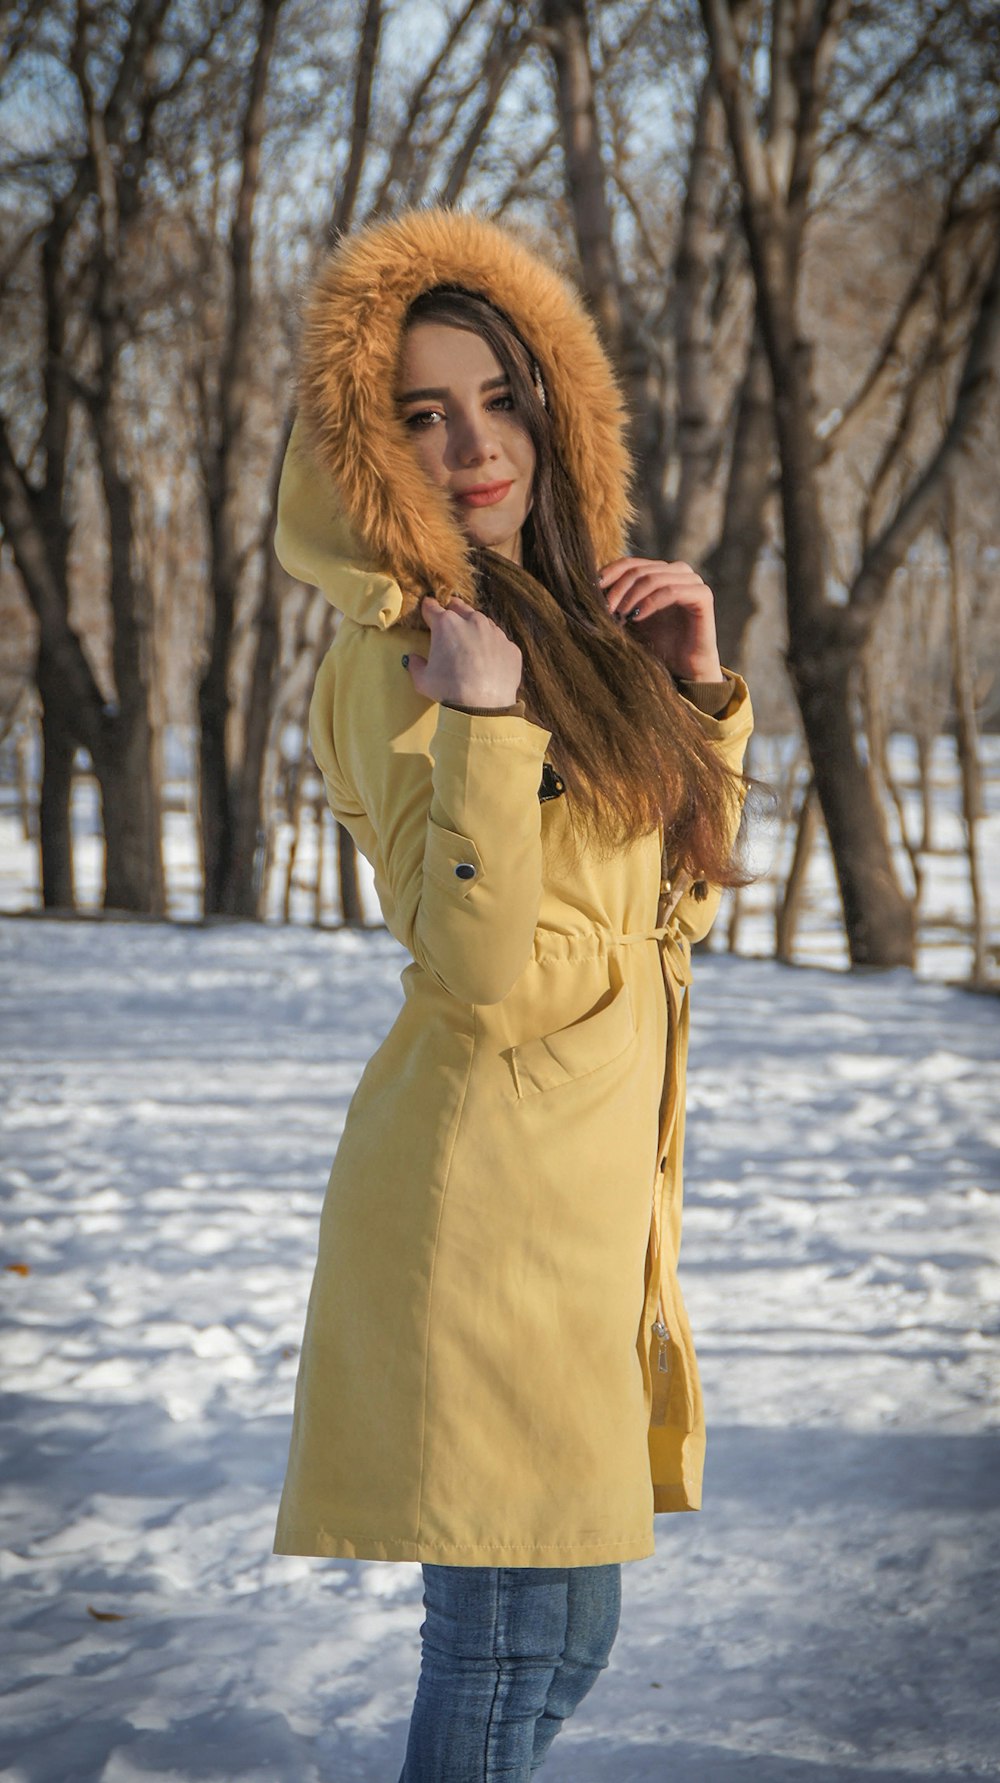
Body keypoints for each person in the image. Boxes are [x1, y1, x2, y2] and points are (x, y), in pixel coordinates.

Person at [272, 205, 756, 1781]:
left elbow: (663, 912)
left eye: (497, 397)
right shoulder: (397, 653)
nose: (473, 444)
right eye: (421, 413)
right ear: (369, 445)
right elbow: (477, 972)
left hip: (582, 1206)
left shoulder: (561, 621)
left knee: (572, 1633)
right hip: (484, 1212)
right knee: (494, 1647)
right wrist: (480, 726)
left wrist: (693, 701)